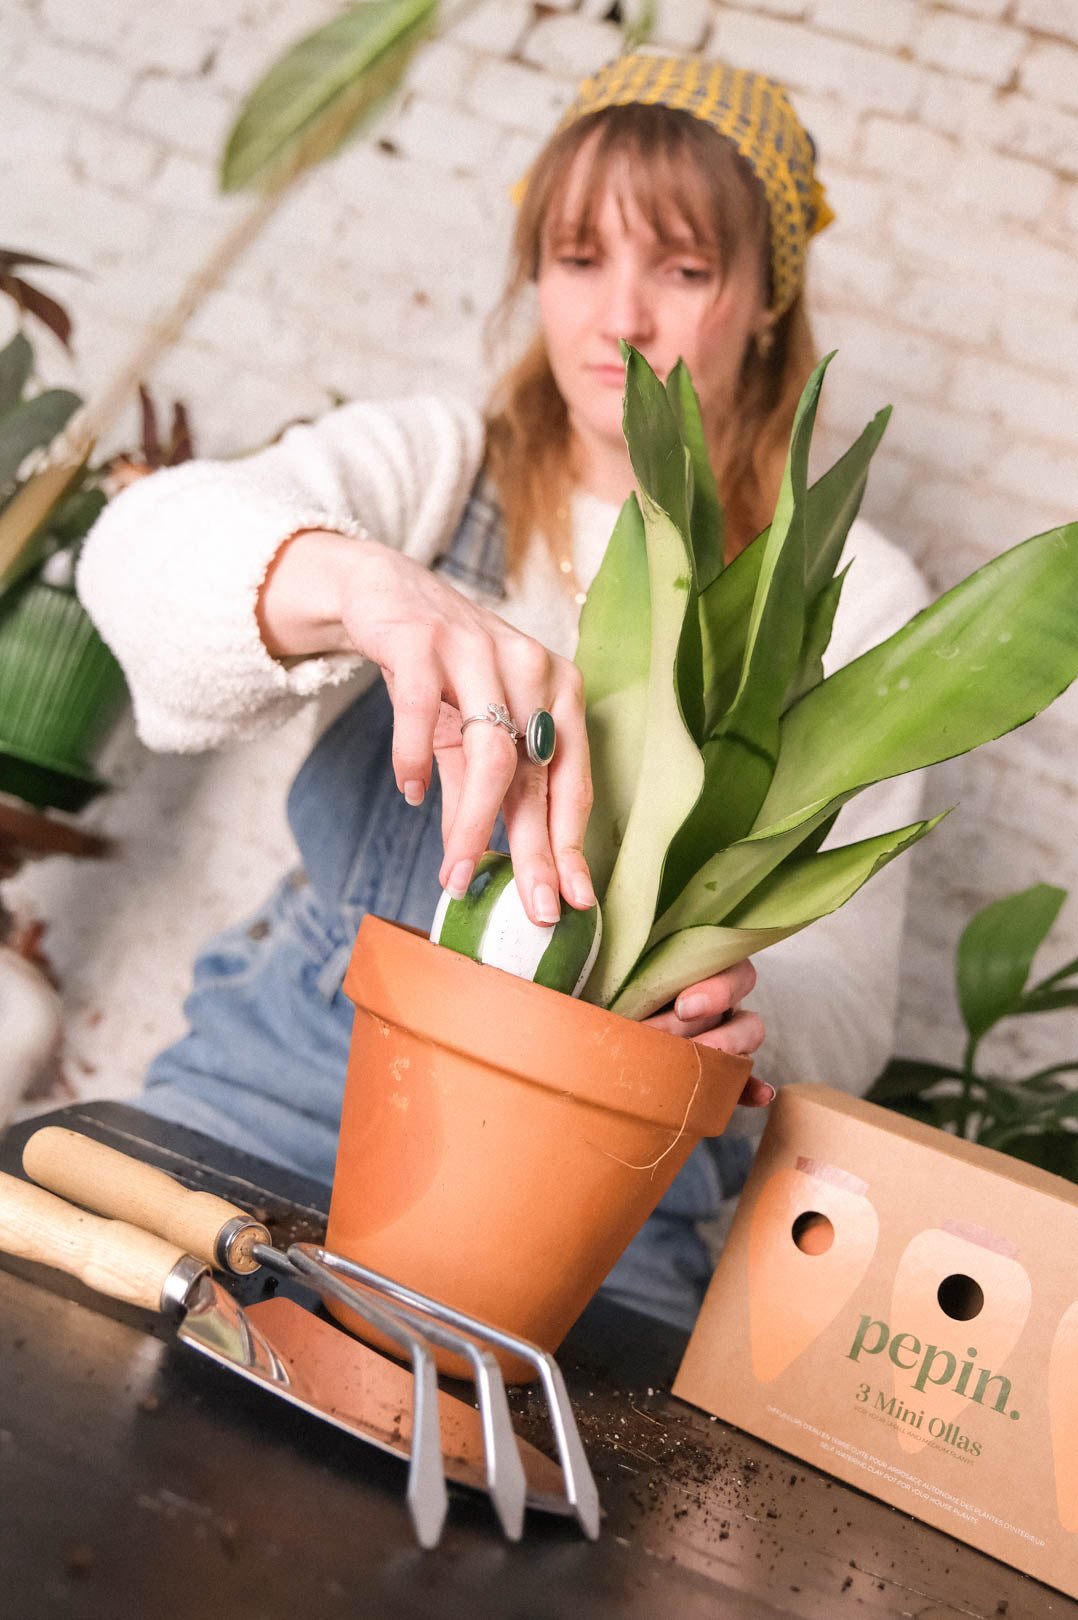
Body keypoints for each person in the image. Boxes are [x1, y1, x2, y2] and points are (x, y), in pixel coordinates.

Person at [78, 53, 928, 1331]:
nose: (621, 317)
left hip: (605, 1183)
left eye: (684, 270)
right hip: (284, 1081)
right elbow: (135, 555)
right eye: (579, 258)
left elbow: (851, 1004)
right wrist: (363, 585)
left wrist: (725, 1002)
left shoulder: (845, 588)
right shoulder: (441, 467)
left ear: (766, 301)